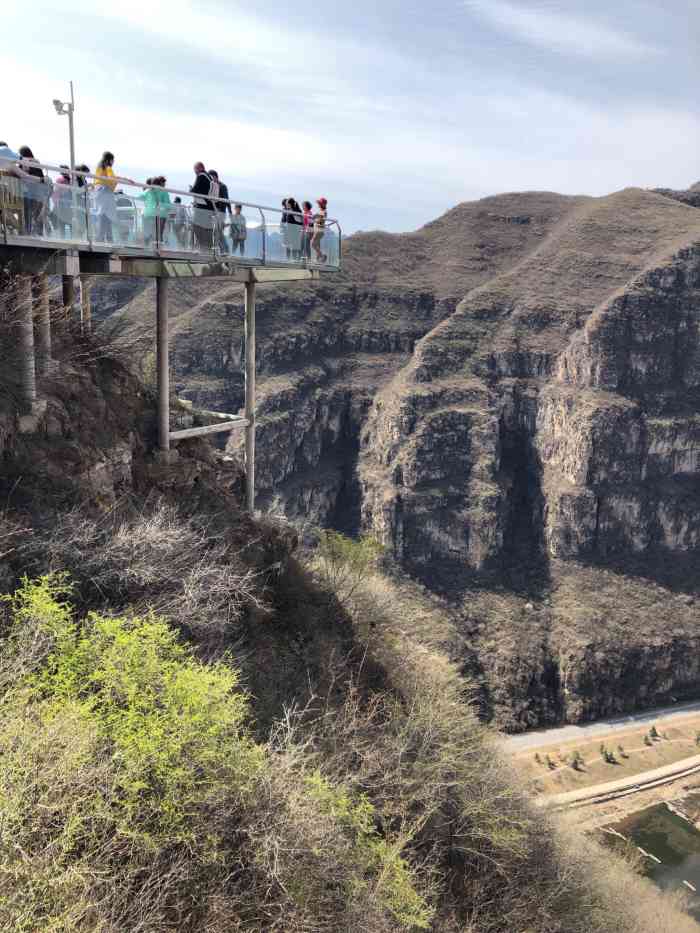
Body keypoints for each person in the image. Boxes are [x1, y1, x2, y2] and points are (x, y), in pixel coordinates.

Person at [18, 146, 48, 236]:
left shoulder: (23, 160)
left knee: (27, 212)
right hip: (40, 192)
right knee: (37, 215)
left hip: (29, 191)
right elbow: (41, 176)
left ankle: (28, 232)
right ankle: (39, 233)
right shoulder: (36, 162)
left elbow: (23, 174)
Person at [94, 151, 119, 243]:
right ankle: (104, 239)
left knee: (103, 215)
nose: (113, 162)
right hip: (105, 191)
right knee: (106, 216)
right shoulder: (108, 167)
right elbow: (111, 178)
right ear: (110, 160)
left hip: (98, 192)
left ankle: (104, 239)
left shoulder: (100, 167)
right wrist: (115, 181)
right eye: (113, 160)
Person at [190, 161, 215, 250]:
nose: (195, 172)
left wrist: (191, 190)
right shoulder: (209, 177)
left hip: (202, 207)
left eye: (195, 169)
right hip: (210, 208)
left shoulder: (201, 176)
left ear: (199, 168)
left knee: (196, 226)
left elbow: (194, 189)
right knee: (207, 229)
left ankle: (203, 248)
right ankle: (208, 248)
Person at [209, 170, 231, 253]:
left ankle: (225, 251)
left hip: (221, 212)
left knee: (218, 232)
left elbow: (226, 199)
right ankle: (221, 251)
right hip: (213, 212)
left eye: (211, 177)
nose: (210, 179)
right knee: (216, 232)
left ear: (215, 176)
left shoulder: (222, 186)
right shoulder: (211, 186)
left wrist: (230, 213)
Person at [311, 196, 328, 264]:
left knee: (312, 244)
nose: (318, 204)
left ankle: (322, 256)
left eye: (319, 203)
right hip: (319, 230)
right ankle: (317, 260)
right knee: (317, 245)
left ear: (322, 204)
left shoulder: (323, 212)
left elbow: (320, 221)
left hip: (319, 230)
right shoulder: (321, 211)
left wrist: (315, 219)